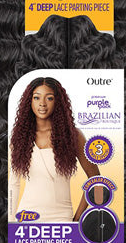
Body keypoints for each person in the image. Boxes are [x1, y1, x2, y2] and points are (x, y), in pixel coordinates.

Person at [9, 77, 99, 223]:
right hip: (26, 217)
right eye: (36, 97)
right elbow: (14, 183)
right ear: (29, 101)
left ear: (58, 102)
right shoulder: (20, 137)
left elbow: (95, 179)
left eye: (49, 98)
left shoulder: (73, 135)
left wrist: (78, 219)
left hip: (62, 217)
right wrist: (10, 221)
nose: (42, 103)